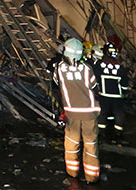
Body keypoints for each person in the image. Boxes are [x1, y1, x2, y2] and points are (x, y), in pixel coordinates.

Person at [54, 38, 100, 184]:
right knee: (90, 144)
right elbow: (95, 88)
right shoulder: (87, 69)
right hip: (89, 113)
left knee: (72, 144)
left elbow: (56, 83)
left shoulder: (59, 68)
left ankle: (72, 173)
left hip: (71, 113)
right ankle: (91, 177)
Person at [96, 42, 130, 144]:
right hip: (117, 97)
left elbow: (94, 79)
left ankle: (101, 133)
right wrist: (125, 92)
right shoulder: (119, 66)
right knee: (119, 115)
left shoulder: (99, 65)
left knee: (102, 114)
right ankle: (118, 134)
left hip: (103, 96)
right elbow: (124, 83)